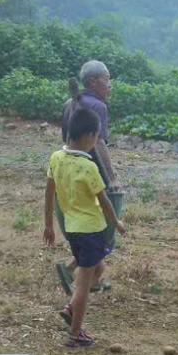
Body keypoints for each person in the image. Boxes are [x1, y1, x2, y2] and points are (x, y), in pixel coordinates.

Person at [44, 107, 126, 349]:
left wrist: (49, 224)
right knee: (83, 283)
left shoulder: (56, 158)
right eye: (97, 137)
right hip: (91, 230)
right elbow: (105, 200)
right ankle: (76, 332)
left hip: (72, 229)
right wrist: (117, 223)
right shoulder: (88, 167)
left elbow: (50, 193)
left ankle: (72, 308)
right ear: (89, 136)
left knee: (98, 267)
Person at [57, 61, 121, 304]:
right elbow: (100, 143)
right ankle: (75, 269)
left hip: (69, 169)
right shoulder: (98, 106)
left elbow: (66, 138)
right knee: (104, 228)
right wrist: (112, 179)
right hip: (92, 172)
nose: (110, 85)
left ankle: (93, 278)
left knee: (81, 222)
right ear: (94, 81)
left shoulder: (68, 104)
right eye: (107, 79)